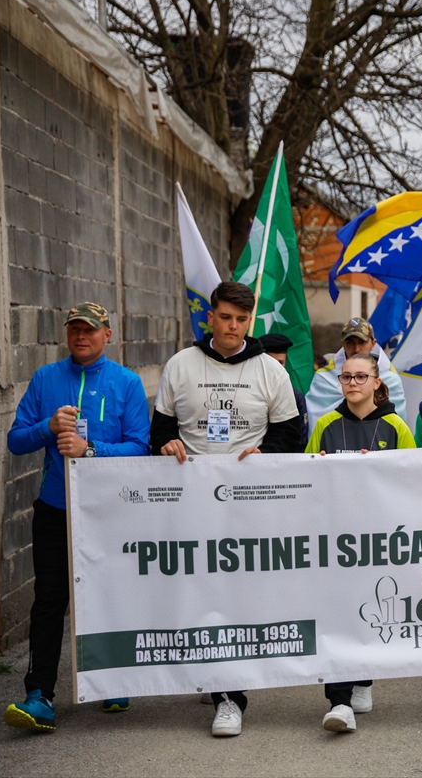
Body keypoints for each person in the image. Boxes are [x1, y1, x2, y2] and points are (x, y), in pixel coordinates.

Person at [150, 281, 302, 737]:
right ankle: (218, 678)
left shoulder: (269, 372)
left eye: (241, 319)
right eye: (225, 317)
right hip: (192, 501)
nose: (232, 327)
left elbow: (288, 437)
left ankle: (231, 698)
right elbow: (159, 432)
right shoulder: (181, 365)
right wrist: (166, 444)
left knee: (238, 596)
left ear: (248, 321)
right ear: (210, 317)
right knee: (202, 591)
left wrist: (265, 456)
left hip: (248, 502)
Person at [4, 303, 150, 732]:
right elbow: (15, 441)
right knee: (51, 599)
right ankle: (39, 695)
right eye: (74, 330)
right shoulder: (46, 379)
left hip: (110, 510)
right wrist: (47, 427)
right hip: (56, 507)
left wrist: (92, 451)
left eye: (90, 329)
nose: (81, 336)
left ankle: (112, 680)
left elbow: (140, 447)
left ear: (108, 334)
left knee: (109, 594)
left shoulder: (127, 382)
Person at [305, 351, 415, 733]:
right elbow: (304, 475)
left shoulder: (397, 427)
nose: (352, 384)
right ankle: (338, 701)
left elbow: (413, 480)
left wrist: (381, 473)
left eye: (360, 377)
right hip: (336, 536)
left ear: (377, 383)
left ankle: (364, 678)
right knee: (337, 611)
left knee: (370, 608)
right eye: (346, 377)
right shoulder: (326, 424)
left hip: (379, 538)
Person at [305, 318, 406, 437]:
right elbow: (316, 426)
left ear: (373, 344)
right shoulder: (324, 378)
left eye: (362, 342)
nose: (356, 349)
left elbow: (398, 429)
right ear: (342, 344)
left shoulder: (390, 379)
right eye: (350, 342)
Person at [259, 332, 309, 448]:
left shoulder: (295, 396)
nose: (277, 368)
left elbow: (300, 440)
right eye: (272, 362)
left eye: (280, 363)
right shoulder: (247, 390)